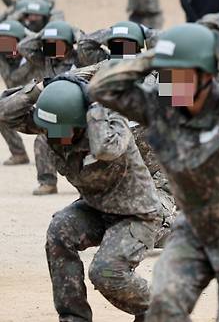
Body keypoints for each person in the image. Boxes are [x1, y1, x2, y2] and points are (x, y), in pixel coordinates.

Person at [89, 23, 219, 322]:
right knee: (164, 308)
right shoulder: (159, 109)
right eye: (169, 75)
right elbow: (100, 87)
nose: (175, 82)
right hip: (194, 231)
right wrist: (155, 57)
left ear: (207, 76)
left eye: (184, 75)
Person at [0, 72, 170, 322]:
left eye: (64, 131)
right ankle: (74, 317)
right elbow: (5, 113)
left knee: (105, 272)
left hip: (137, 214)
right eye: (50, 131)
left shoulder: (109, 123)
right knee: (59, 231)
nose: (58, 139)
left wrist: (96, 104)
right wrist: (41, 88)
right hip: (96, 208)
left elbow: (106, 149)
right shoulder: (56, 125)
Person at [18, 20, 84, 195]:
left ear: (69, 44)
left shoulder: (81, 58)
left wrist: (75, 32)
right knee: (42, 140)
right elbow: (24, 47)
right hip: (57, 115)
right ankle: (47, 181)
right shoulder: (45, 61)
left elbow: (90, 46)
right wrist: (44, 34)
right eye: (50, 44)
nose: (53, 48)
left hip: (80, 114)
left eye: (58, 43)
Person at [0, 20, 34, 165]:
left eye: (9, 41)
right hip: (18, 100)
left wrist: (26, 33)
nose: (4, 45)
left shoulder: (35, 57)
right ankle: (19, 153)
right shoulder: (3, 58)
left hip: (41, 99)